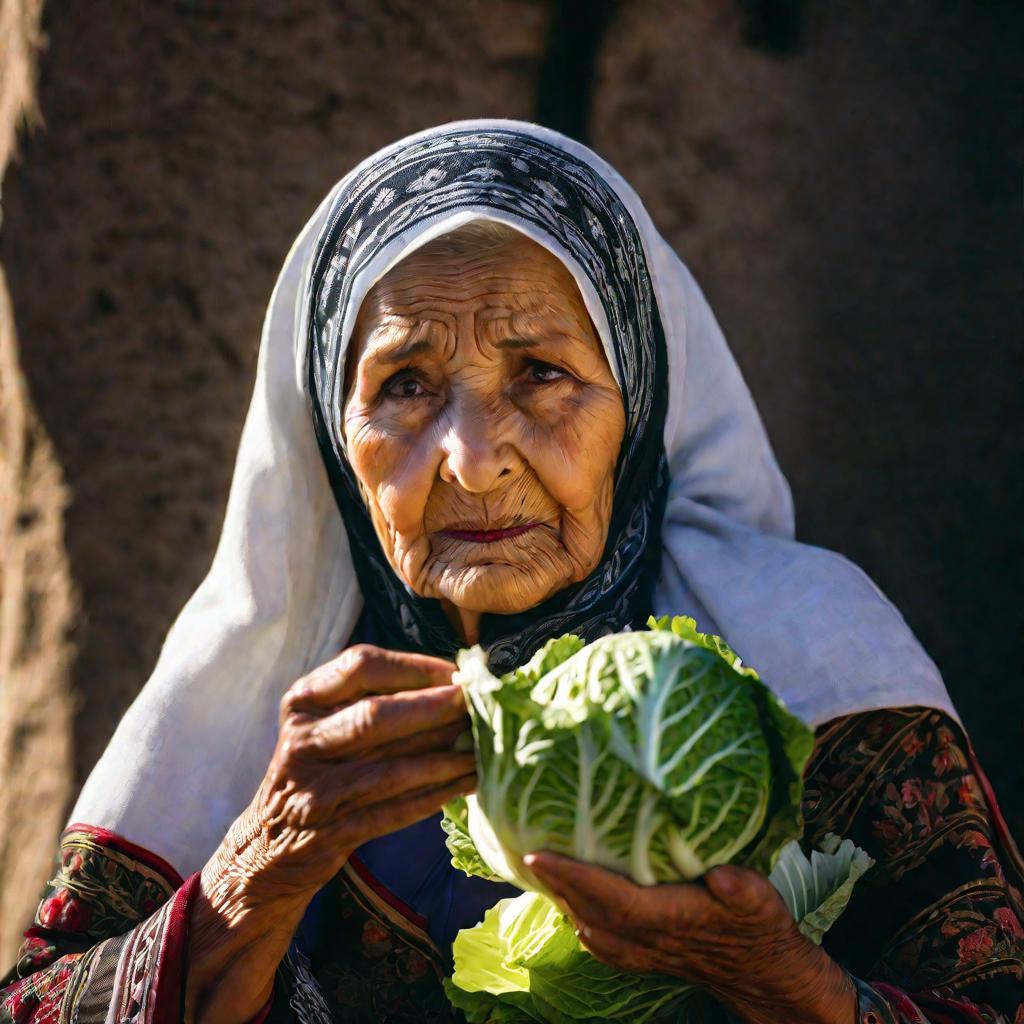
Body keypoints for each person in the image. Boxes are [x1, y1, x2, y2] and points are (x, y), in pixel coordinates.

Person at [2, 121, 1021, 1024]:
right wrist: (256, 872)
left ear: (639, 406)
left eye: (541, 373)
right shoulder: (261, 718)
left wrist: (773, 978)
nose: (474, 455)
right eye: (404, 385)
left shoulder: (814, 659)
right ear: (330, 434)